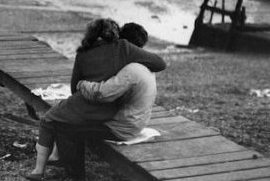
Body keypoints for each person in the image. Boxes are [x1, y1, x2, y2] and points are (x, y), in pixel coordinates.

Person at [24, 19, 166, 181]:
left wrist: (83, 84)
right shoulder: (140, 65)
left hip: (121, 125)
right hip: (129, 119)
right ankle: (61, 161)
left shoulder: (129, 68)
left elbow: (101, 93)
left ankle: (72, 175)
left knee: (66, 128)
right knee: (71, 126)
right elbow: (159, 63)